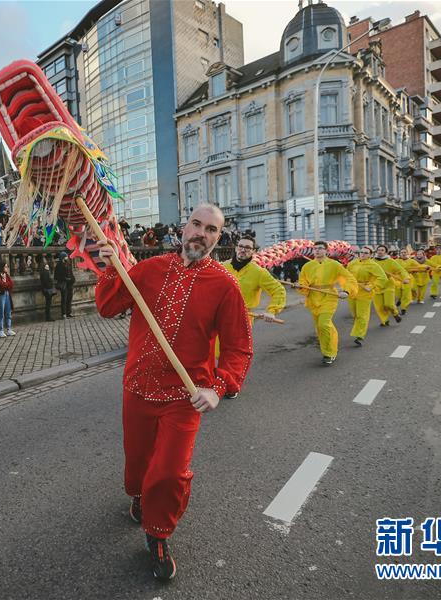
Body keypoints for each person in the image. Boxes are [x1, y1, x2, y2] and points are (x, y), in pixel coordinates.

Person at [95, 204, 253, 582]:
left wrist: (217, 388)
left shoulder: (225, 285)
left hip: (184, 397)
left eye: (211, 229)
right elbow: (108, 306)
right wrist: (110, 268)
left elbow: (239, 349)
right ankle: (138, 497)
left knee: (168, 472)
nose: (201, 233)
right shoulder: (148, 270)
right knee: (137, 464)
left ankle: (158, 533)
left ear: (219, 238)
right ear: (184, 228)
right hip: (137, 388)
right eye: (196, 224)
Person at [296, 241, 358, 365]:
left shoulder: (334, 265)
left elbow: (348, 278)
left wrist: (347, 291)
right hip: (313, 298)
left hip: (329, 297)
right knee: (320, 327)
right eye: (315, 249)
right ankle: (328, 347)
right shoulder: (307, 266)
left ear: (326, 251)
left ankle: (329, 353)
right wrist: (299, 286)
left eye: (320, 248)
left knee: (324, 324)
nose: (317, 251)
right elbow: (303, 281)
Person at [222, 236, 286, 324]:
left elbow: (279, 290)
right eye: (240, 246)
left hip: (242, 320)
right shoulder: (223, 267)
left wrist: (271, 311)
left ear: (254, 251)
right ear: (236, 248)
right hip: (221, 317)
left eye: (248, 248)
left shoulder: (258, 272)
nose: (243, 250)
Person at [347, 247, 387, 346]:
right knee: (355, 314)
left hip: (365, 292)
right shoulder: (352, 263)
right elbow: (346, 275)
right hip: (352, 291)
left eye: (366, 253)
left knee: (362, 314)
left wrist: (371, 286)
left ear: (370, 255)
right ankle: (358, 330)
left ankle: (359, 335)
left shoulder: (373, 265)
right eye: (361, 252)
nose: (363, 254)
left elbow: (382, 278)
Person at [372, 245, 409, 325]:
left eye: (382, 250)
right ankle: (384, 321)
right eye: (378, 250)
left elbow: (401, 270)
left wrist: (406, 278)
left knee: (389, 304)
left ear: (385, 252)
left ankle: (395, 314)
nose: (380, 251)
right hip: (376, 286)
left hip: (388, 285)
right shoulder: (372, 262)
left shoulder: (390, 261)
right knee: (380, 307)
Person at [0, 262, 16, 337]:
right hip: (1, 295)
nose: (6, 268)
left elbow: (11, 284)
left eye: (7, 266)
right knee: (1, 312)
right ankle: (1, 330)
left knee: (8, 311)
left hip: (7, 294)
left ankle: (9, 329)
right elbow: (0, 284)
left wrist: (5, 284)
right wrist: (6, 285)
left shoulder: (7, 275)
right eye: (5, 266)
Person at [54, 252, 76, 319]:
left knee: (69, 298)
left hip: (70, 284)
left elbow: (71, 273)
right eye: (65, 256)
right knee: (64, 299)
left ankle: (68, 312)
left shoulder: (68, 264)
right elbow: (56, 276)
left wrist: (72, 279)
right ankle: (63, 314)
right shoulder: (59, 265)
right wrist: (65, 279)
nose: (67, 258)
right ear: (63, 257)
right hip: (64, 284)